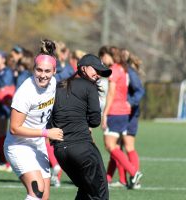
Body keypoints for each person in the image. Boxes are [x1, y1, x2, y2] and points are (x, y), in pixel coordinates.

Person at [4, 39, 63, 200]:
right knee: (36, 191)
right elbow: (14, 128)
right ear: (33, 69)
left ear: (54, 71)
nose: (43, 75)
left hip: (37, 145)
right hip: (19, 146)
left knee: (44, 196)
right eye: (39, 70)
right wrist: (46, 133)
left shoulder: (53, 84)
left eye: (47, 71)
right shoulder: (25, 92)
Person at [49, 54, 111, 199]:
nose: (98, 75)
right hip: (82, 149)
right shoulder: (89, 87)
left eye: (101, 72)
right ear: (83, 68)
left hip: (61, 152)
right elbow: (95, 120)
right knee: (100, 194)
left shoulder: (59, 85)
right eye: (96, 70)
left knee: (85, 190)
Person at [101, 47, 143, 189]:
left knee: (110, 145)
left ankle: (133, 172)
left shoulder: (114, 70)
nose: (102, 59)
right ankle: (111, 178)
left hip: (115, 112)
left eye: (103, 56)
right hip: (123, 113)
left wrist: (105, 113)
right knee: (117, 146)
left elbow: (111, 94)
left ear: (111, 56)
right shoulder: (124, 70)